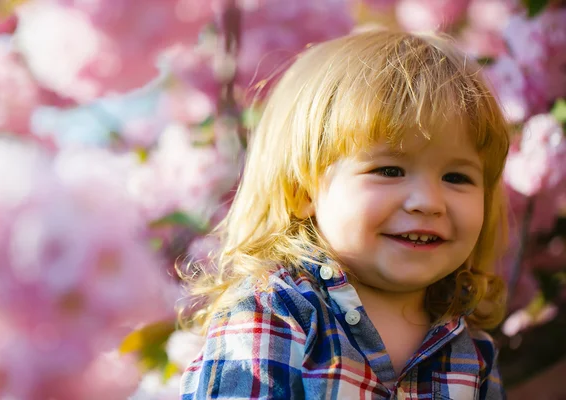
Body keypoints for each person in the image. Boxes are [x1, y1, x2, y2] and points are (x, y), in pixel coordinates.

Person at [179, 29, 510, 399]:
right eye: (389, 171)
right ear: (301, 190)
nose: (428, 201)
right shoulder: (277, 311)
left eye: (456, 177)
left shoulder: (472, 353)